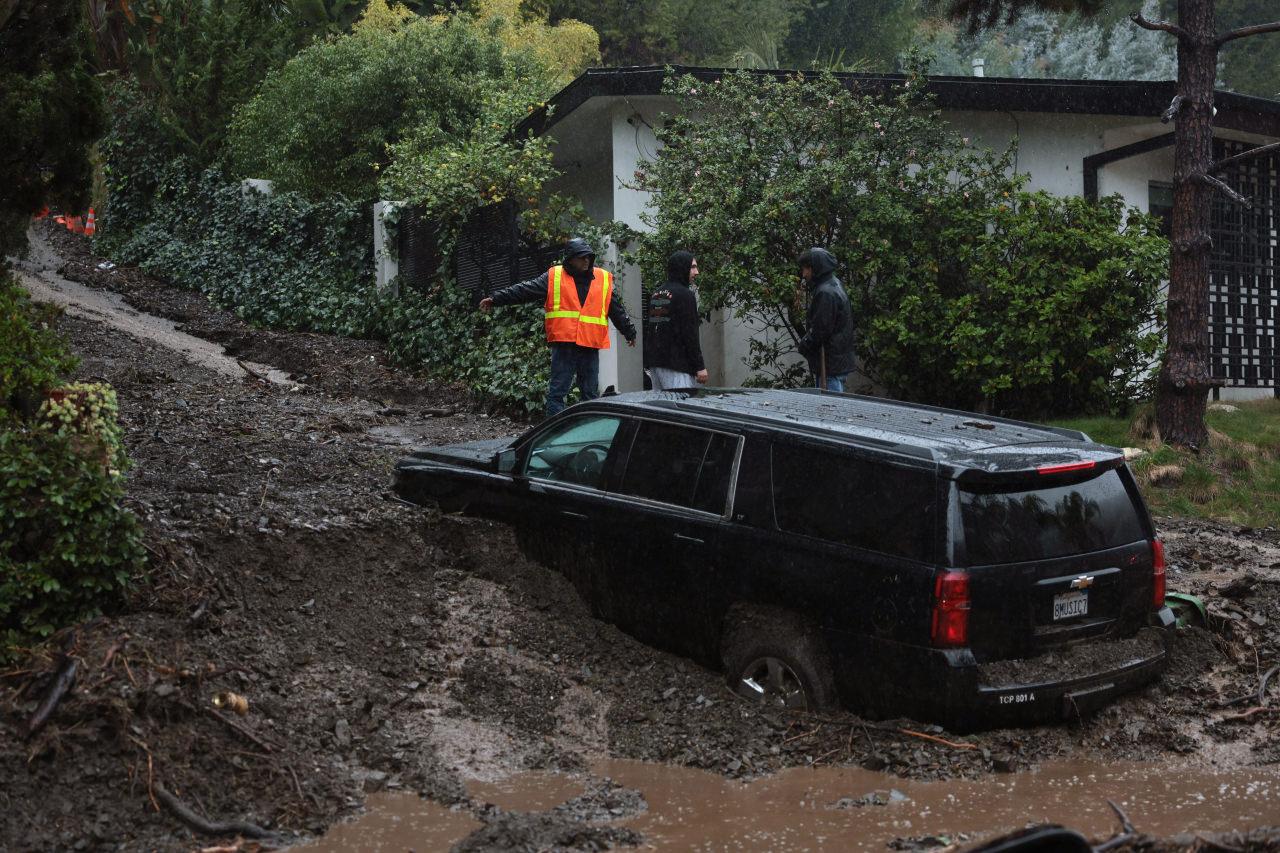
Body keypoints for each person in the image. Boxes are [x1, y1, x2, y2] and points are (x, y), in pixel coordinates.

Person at [479, 238, 636, 418]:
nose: (586, 261)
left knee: (590, 395)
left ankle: (588, 433)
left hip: (589, 345)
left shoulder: (602, 278)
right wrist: (496, 298)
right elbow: (525, 290)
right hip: (564, 345)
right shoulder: (554, 276)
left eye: (588, 257)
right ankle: (555, 434)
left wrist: (628, 331)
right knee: (557, 393)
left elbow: (615, 308)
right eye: (581, 257)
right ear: (570, 259)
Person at [644, 250, 709, 391]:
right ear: (682, 267)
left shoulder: (657, 293)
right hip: (677, 366)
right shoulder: (685, 295)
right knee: (681, 409)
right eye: (692, 267)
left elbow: (653, 331)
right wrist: (700, 367)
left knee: (661, 409)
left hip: (656, 365)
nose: (696, 272)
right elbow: (690, 333)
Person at [795, 247, 855, 392]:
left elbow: (820, 330)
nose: (804, 274)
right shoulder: (834, 284)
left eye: (806, 269)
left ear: (815, 268)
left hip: (829, 364)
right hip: (835, 362)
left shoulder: (826, 293)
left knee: (830, 409)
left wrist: (804, 345)